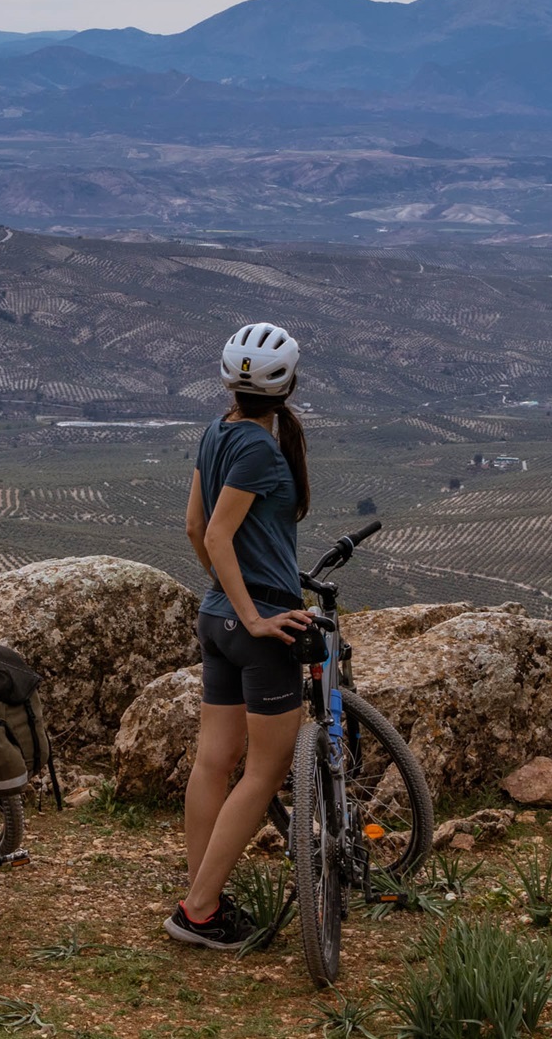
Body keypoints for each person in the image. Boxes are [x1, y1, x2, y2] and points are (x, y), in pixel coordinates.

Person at [165, 321, 314, 949]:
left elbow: (193, 527)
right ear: (289, 385)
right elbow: (217, 533)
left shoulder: (215, 432)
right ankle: (199, 910)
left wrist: (226, 596)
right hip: (258, 626)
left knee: (214, 761)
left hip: (215, 618)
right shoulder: (258, 449)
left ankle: (202, 895)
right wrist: (253, 614)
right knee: (265, 769)